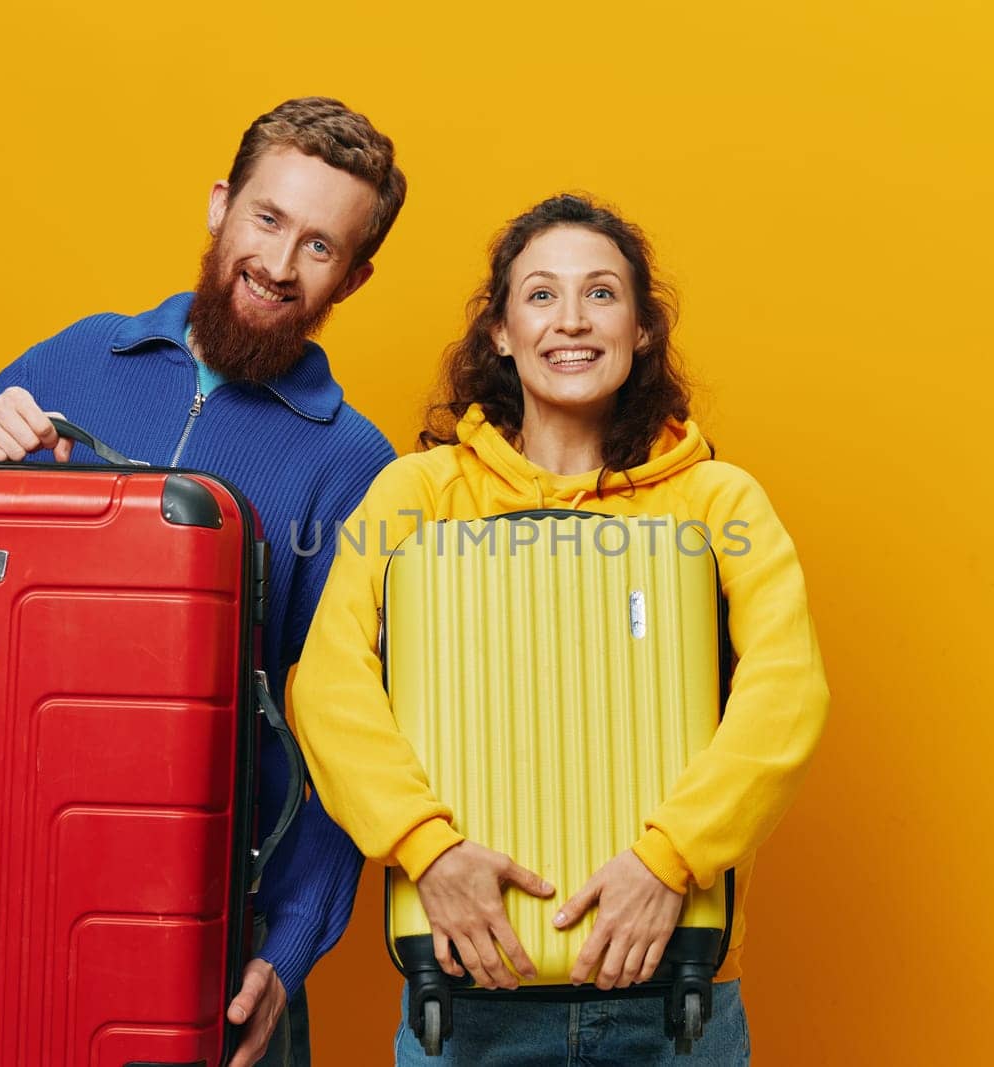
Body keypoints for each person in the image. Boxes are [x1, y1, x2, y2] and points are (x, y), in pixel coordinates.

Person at [0, 97, 405, 1067]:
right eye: (268, 218)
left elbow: (352, 730)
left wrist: (288, 949)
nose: (279, 265)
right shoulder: (79, 357)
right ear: (219, 206)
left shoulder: (357, 464)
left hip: (208, 936)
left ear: (355, 275)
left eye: (320, 245)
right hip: (1, 893)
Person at [290, 193, 831, 1064]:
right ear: (499, 332)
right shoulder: (419, 496)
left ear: (644, 329)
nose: (570, 321)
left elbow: (786, 692)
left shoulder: (716, 501)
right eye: (540, 295)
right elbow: (327, 686)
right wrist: (429, 852)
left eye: (602, 295)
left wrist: (670, 862)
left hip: (675, 1005)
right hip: (466, 994)